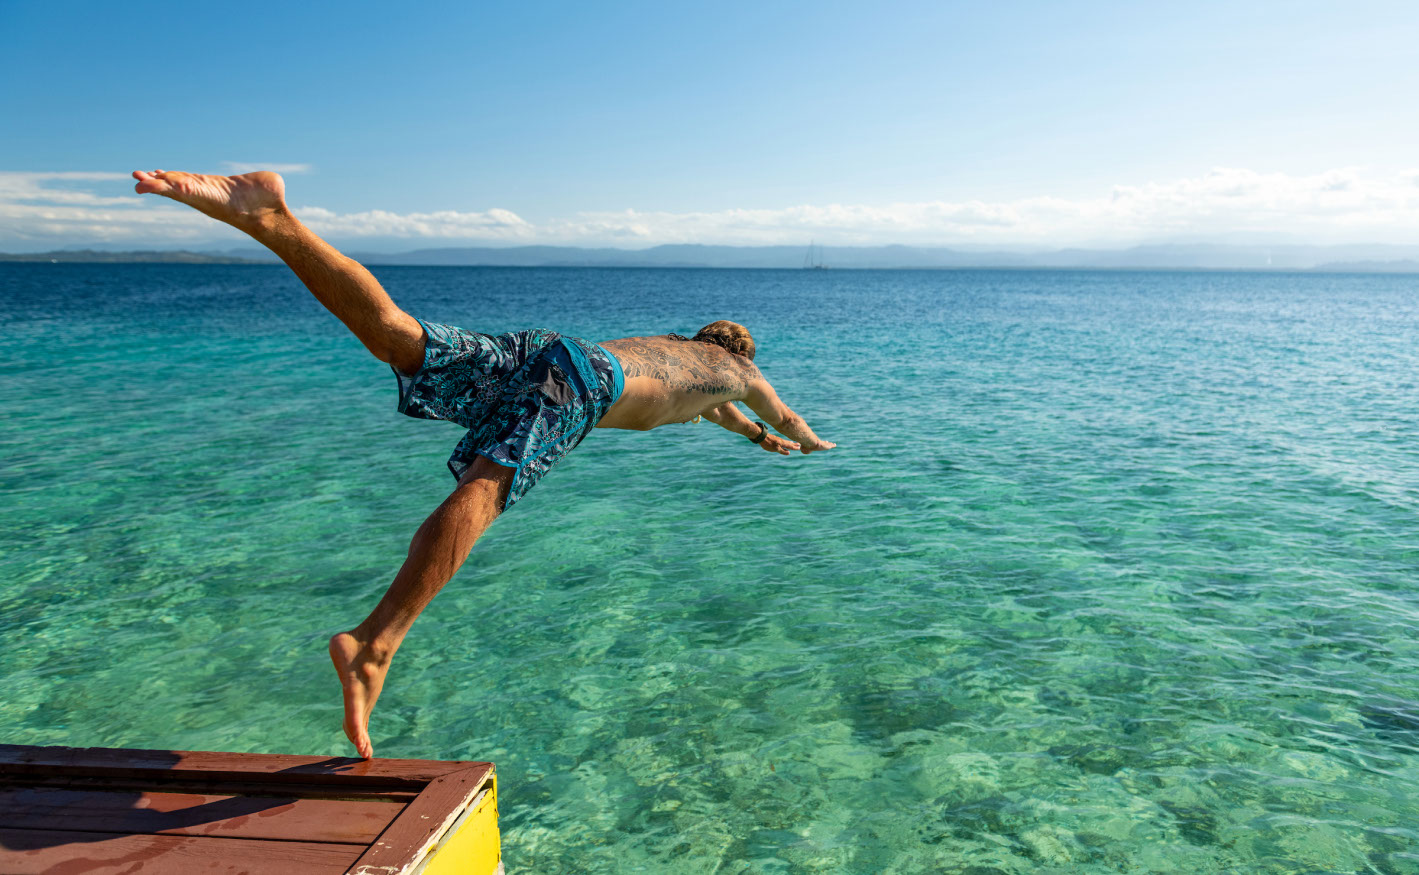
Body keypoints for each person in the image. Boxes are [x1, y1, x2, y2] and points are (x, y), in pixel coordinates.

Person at [132, 169, 837, 758]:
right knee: (487, 483)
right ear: (744, 356)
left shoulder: (689, 364)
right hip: (583, 384)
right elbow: (779, 412)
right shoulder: (740, 374)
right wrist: (806, 441)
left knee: (400, 337)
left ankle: (270, 216)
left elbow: (723, 414)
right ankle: (375, 644)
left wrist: (756, 440)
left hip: (560, 350)